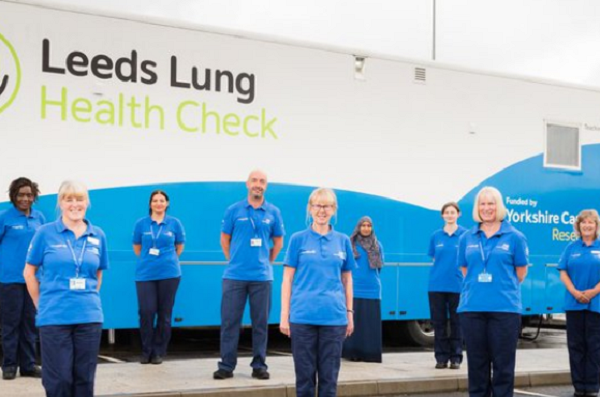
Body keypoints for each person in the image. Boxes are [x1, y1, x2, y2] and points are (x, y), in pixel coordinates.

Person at [23, 180, 109, 397]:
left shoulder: (98, 235)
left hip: (88, 317)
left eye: (79, 199)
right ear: (60, 203)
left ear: (87, 203)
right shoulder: (45, 233)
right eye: (68, 199)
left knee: (84, 380)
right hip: (54, 317)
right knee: (59, 380)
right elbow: (29, 272)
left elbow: (98, 273)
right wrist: (40, 305)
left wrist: (88, 299)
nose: (74, 204)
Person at [280, 187, 356, 397]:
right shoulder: (297, 239)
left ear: (334, 210)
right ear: (310, 209)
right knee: (304, 380)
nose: (322, 210)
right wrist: (284, 315)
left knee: (329, 380)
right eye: (317, 205)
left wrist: (350, 313)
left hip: (334, 319)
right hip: (303, 318)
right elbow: (287, 279)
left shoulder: (343, 241)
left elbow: (347, 279)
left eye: (327, 206)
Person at [457, 186, 528, 397]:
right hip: (472, 309)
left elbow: (520, 273)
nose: (487, 208)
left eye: (491, 203)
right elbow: (465, 270)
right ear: (477, 207)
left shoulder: (515, 237)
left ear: (499, 206)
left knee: (503, 368)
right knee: (476, 367)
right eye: (482, 203)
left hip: (504, 310)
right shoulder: (467, 238)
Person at [214, 170, 285, 380]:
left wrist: (266, 261)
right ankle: (226, 366)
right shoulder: (233, 210)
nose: (258, 184)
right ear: (247, 184)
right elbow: (224, 239)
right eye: (255, 180)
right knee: (229, 323)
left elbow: (278, 242)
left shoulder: (273, 212)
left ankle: (259, 365)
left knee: (260, 324)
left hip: (262, 278)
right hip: (234, 276)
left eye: (262, 181)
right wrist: (235, 259)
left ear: (266, 186)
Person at [132, 190, 185, 365]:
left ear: (167, 203)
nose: (158, 203)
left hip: (169, 274)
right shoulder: (141, 224)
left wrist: (167, 260)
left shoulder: (174, 224)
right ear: (150, 204)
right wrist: (150, 260)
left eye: (162, 200)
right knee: (146, 312)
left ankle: (158, 352)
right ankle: (146, 350)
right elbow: (137, 248)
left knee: (165, 314)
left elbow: (179, 246)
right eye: (155, 200)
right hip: (145, 274)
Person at [0, 177, 45, 380]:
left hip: (33, 280)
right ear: (13, 196)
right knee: (10, 324)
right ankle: (9, 365)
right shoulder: (5, 218)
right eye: (20, 195)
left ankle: (28, 365)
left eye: (28, 195)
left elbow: (45, 247)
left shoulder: (39, 218)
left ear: (34, 196)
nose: (25, 198)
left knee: (30, 323)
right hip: (9, 280)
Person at [558, 209, 600, 397]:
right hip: (574, 304)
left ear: (596, 226)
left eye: (591, 222)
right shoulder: (571, 247)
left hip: (596, 305)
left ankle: (591, 387)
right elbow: (563, 271)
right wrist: (575, 292)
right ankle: (579, 387)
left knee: (594, 346)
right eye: (583, 222)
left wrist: (593, 292)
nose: (587, 225)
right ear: (578, 226)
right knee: (576, 346)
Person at [427, 202, 467, 369]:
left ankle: (456, 357)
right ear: (442, 215)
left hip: (457, 286)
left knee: (457, 323)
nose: (450, 215)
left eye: (453, 212)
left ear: (458, 214)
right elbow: (434, 259)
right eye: (447, 212)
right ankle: (441, 358)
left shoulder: (465, 235)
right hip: (436, 285)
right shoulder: (436, 236)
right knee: (439, 323)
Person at [342, 216, 384, 363]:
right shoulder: (350, 244)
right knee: (353, 323)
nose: (366, 228)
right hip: (353, 288)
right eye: (363, 225)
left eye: (369, 225)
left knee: (369, 324)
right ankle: (352, 353)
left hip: (372, 289)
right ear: (358, 227)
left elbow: (379, 267)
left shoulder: (377, 245)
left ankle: (370, 354)